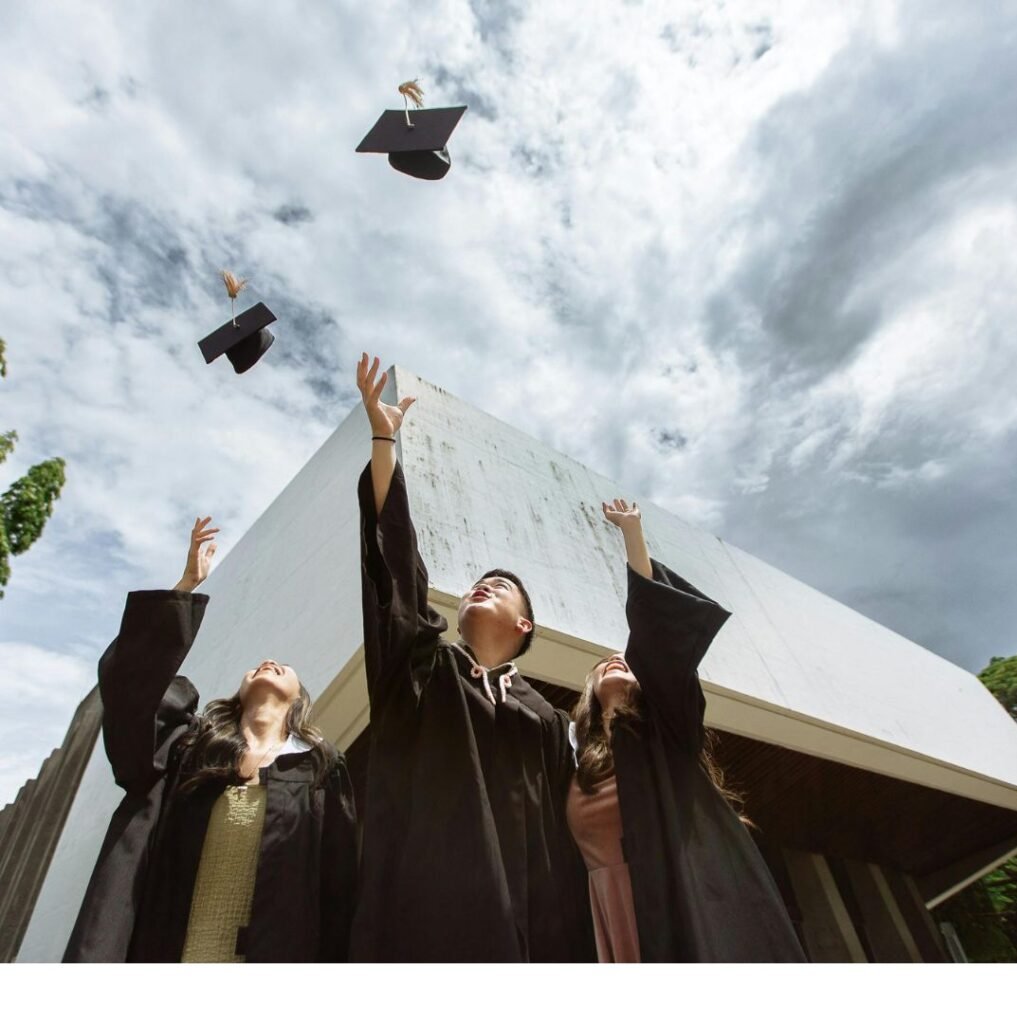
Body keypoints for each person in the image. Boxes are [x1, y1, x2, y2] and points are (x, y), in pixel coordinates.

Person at [349, 354, 593, 962]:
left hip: (535, 933)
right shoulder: (425, 670)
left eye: (499, 586)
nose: (480, 586)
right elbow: (396, 570)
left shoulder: (549, 723)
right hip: (425, 919)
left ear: (525, 624)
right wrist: (384, 440)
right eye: (475, 583)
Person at [64, 517, 358, 962]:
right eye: (255, 664)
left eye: (284, 665)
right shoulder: (187, 748)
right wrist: (184, 587)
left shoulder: (319, 770)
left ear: (299, 698)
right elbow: (132, 694)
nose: (268, 660)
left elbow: (338, 891)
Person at [566, 498, 807, 962]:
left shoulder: (666, 729)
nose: (615, 661)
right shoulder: (575, 758)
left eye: (626, 661)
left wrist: (633, 536)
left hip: (683, 898)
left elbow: (658, 636)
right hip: (608, 909)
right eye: (603, 666)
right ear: (590, 691)